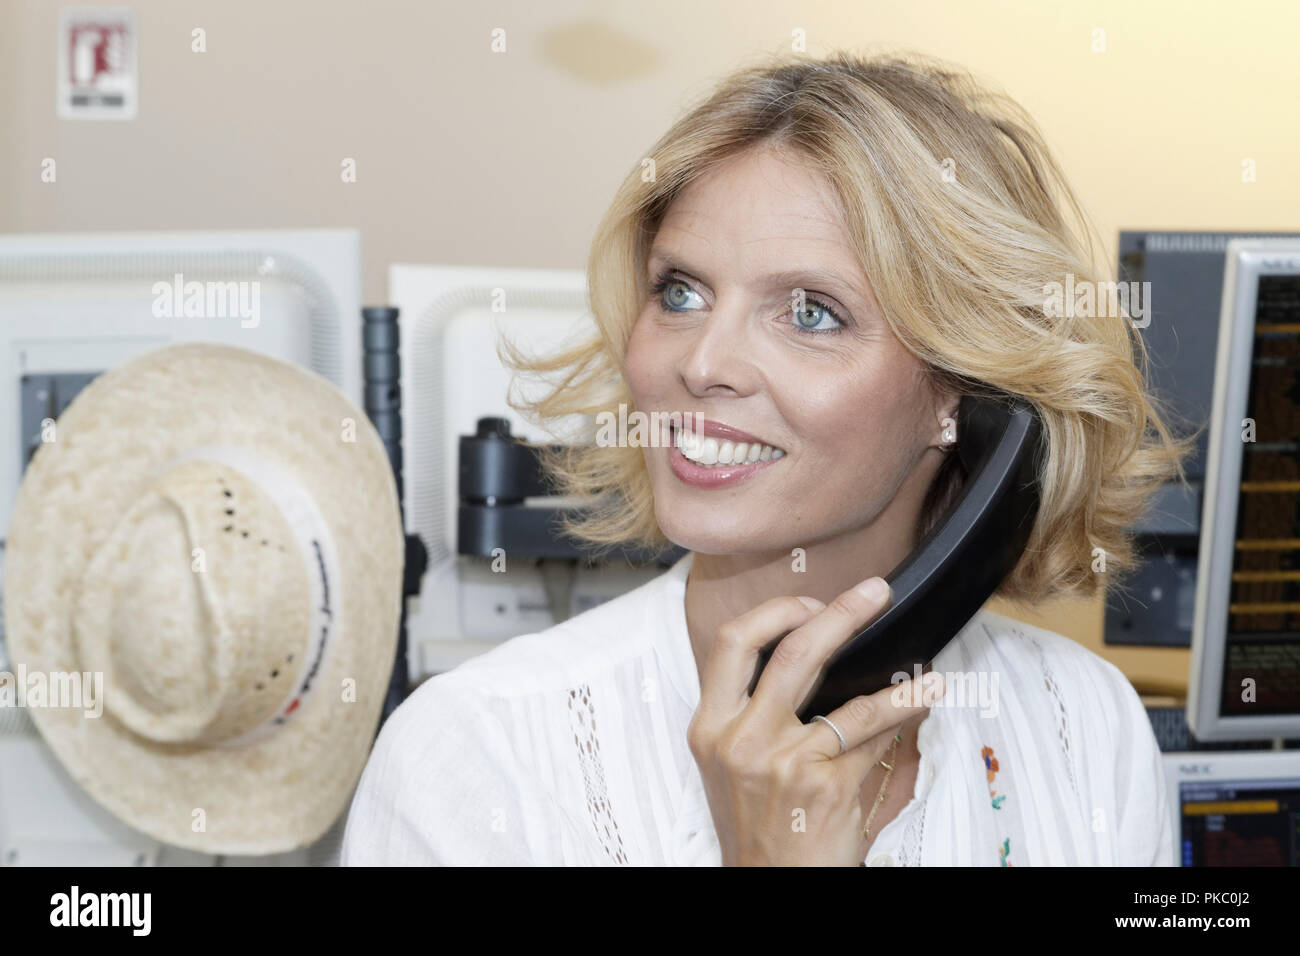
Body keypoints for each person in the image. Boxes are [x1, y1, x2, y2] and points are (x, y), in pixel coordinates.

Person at [341, 49, 1194, 866]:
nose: (702, 363)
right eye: (680, 292)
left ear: (962, 398)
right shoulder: (475, 755)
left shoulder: (1083, 723)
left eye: (811, 313)